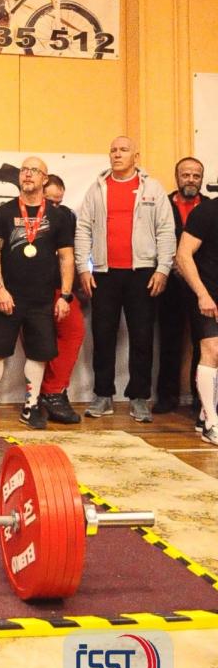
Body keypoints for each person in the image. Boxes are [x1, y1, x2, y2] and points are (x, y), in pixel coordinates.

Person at [75, 136, 176, 422]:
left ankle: (139, 397)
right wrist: (83, 267)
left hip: (142, 274)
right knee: (103, 336)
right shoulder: (97, 188)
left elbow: (166, 230)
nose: (117, 154)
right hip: (104, 274)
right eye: (113, 150)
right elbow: (83, 229)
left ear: (136, 156)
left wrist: (163, 269)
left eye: (123, 150)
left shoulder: (152, 188)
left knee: (142, 337)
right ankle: (103, 395)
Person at [0, 156, 74, 431]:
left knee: (38, 354)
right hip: (8, 297)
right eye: (25, 170)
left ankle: (30, 407)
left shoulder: (58, 216)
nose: (28, 174)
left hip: (42, 299)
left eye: (34, 171)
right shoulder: (4, 212)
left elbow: (67, 257)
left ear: (45, 178)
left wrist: (65, 296)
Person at [154, 157, 204, 414]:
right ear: (177, 177)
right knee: (169, 340)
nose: (191, 180)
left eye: (196, 175)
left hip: (201, 284)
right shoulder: (161, 204)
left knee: (203, 341)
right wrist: (170, 263)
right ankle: (167, 397)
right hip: (169, 282)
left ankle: (201, 397)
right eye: (186, 175)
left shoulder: (209, 207)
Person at [38, 174, 85, 424]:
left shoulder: (68, 216)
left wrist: (78, 281)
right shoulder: (22, 215)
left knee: (74, 331)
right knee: (38, 343)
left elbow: (76, 251)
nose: (55, 206)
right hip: (31, 290)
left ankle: (54, 392)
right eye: (50, 201)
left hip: (62, 288)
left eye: (59, 201)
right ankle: (38, 396)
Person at [175, 192, 218, 445]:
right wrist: (202, 294)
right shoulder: (206, 212)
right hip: (205, 292)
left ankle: (204, 414)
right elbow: (183, 255)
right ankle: (212, 424)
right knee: (212, 350)